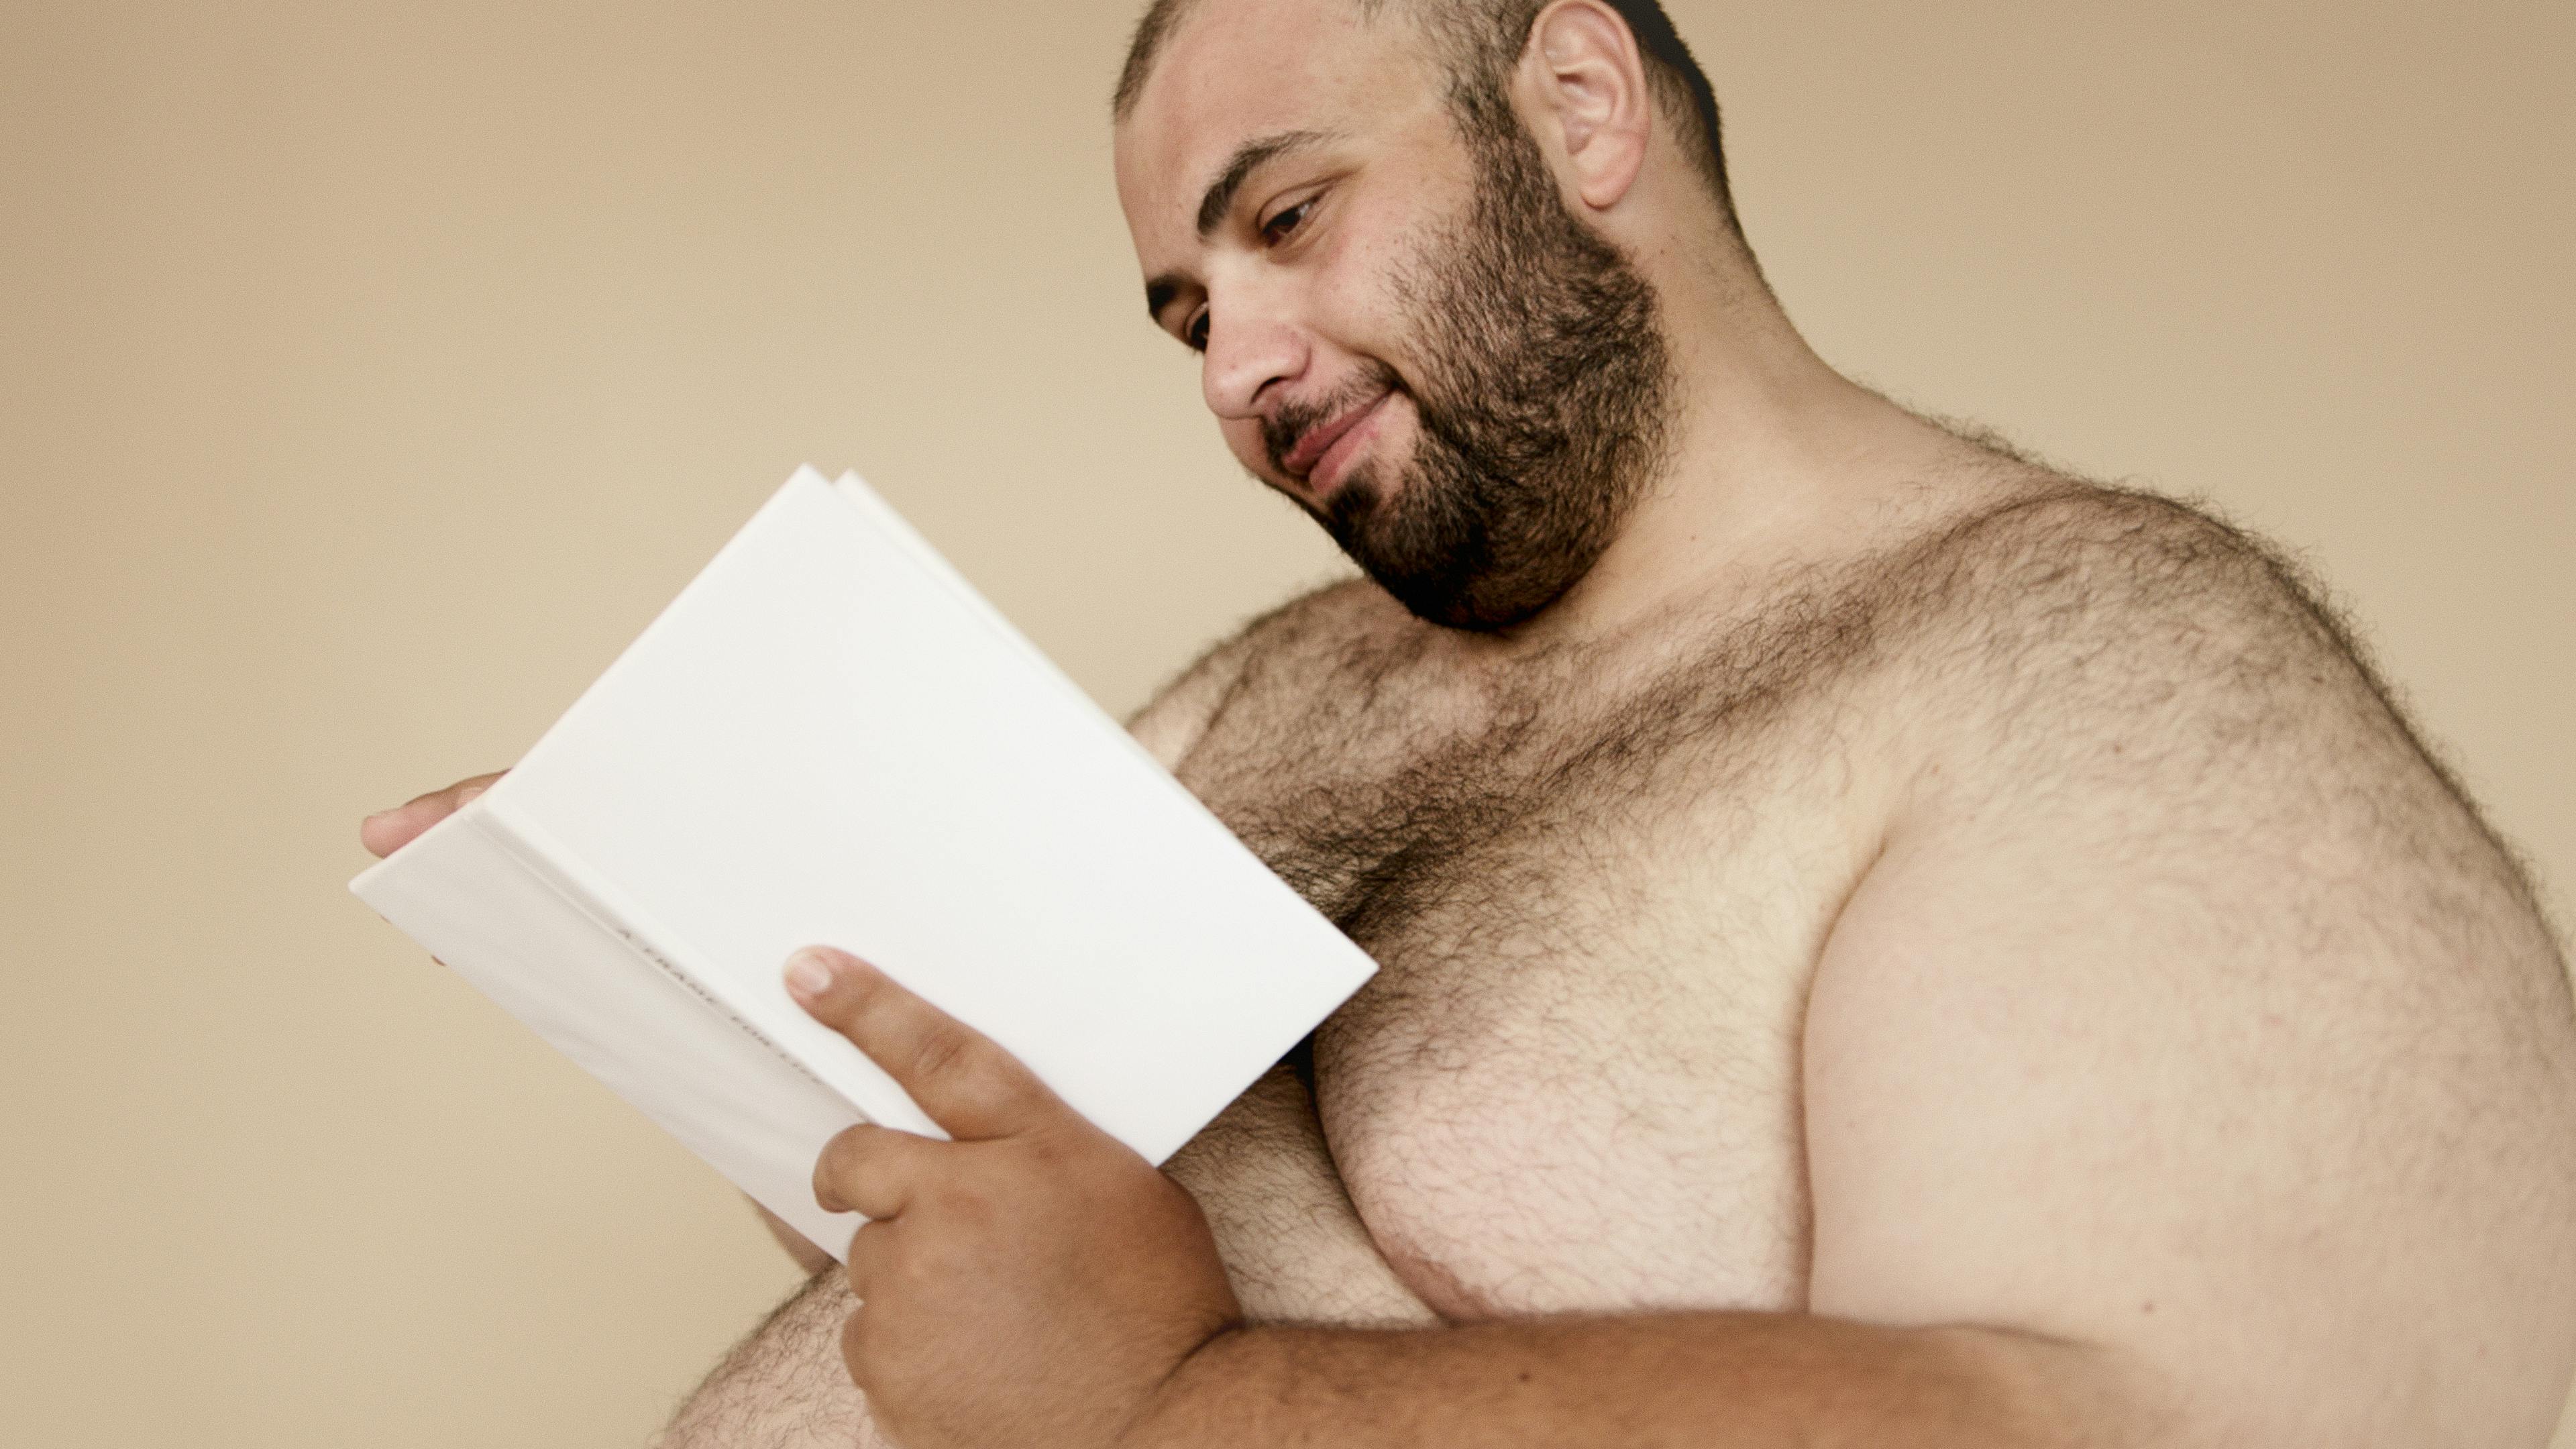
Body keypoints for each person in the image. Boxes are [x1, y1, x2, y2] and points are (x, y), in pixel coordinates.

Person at [361, 1, 2576, 1443]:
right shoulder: (1257, 698)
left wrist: (1174, 1406)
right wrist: (699, 973)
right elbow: (1005, 1288)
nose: (1234, 367)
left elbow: (2176, 1425)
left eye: (1290, 219)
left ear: (1580, 106)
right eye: (1187, 313)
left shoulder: (2094, 659)